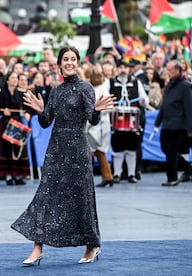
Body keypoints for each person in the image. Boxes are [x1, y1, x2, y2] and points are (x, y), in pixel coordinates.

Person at [11, 47, 115, 266]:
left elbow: (92, 120)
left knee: (82, 198)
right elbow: (46, 121)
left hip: (77, 150)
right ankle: (37, 248)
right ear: (59, 64)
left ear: (77, 63)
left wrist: (97, 110)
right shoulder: (56, 91)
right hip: (56, 150)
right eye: (65, 59)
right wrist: (40, 110)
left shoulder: (85, 88)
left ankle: (92, 245)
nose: (69, 62)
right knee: (46, 196)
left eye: (73, 59)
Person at [154, 60, 192, 186]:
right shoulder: (169, 85)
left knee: (171, 152)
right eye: (168, 70)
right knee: (165, 149)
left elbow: (189, 108)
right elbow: (164, 105)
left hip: (178, 124)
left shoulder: (185, 86)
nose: (168, 72)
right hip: (167, 123)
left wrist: (190, 127)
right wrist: (157, 122)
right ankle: (188, 167)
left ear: (178, 70)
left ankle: (172, 178)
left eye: (171, 70)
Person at [110, 60, 148, 184]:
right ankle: (117, 174)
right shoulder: (110, 82)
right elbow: (104, 97)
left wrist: (143, 101)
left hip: (132, 120)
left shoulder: (137, 82)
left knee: (132, 148)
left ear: (129, 69)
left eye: (125, 67)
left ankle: (131, 174)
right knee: (118, 148)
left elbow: (145, 100)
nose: (122, 69)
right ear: (116, 69)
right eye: (120, 67)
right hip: (117, 120)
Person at [0, 72, 31, 185]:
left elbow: (27, 107)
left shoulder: (20, 94)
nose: (15, 80)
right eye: (12, 77)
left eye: (16, 78)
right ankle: (8, 175)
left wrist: (27, 113)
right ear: (7, 80)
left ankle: (18, 175)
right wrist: (3, 111)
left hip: (17, 122)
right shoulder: (1, 94)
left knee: (19, 149)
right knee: (7, 149)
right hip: (6, 123)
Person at [86, 67, 114, 188]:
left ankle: (107, 176)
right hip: (97, 124)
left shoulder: (101, 90)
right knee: (98, 152)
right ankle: (107, 176)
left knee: (98, 151)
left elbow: (108, 107)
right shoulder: (96, 89)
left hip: (99, 125)